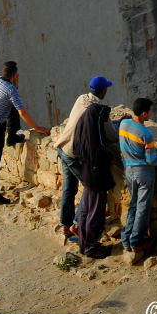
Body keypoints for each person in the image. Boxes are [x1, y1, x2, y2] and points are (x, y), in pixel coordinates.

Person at [54, 76, 119, 240]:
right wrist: (121, 124)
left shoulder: (81, 98)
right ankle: (76, 224)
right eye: (106, 89)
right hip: (73, 154)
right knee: (89, 186)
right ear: (103, 91)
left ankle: (65, 225)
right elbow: (111, 136)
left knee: (69, 189)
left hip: (62, 147)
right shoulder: (98, 111)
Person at [0, 60, 50, 204]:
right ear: (15, 75)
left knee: (11, 106)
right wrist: (37, 127)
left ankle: (12, 137)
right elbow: (22, 112)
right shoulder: (11, 90)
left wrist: (14, 83)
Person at [119, 98, 157, 256]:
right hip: (143, 173)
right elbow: (151, 160)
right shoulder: (146, 134)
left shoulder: (123, 124)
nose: (152, 113)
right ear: (144, 113)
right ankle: (136, 241)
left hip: (128, 171)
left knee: (133, 205)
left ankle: (126, 239)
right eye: (151, 111)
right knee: (142, 207)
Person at [73, 101, 115, 258]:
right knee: (95, 213)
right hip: (96, 178)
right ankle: (91, 248)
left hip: (87, 175)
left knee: (85, 211)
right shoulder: (95, 138)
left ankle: (84, 244)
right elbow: (102, 153)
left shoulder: (84, 131)